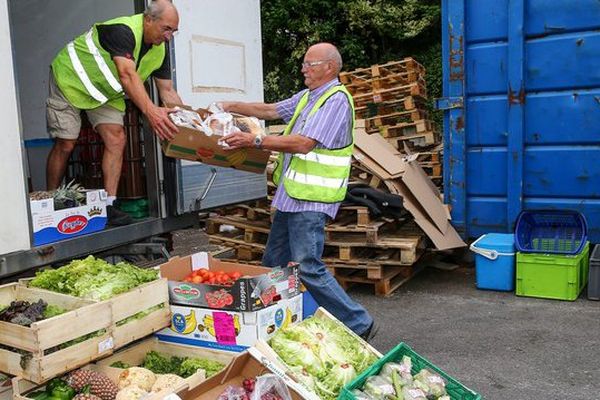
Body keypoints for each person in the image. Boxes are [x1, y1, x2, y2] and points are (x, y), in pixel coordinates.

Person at [220, 42, 377, 340]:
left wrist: (254, 141)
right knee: (274, 264)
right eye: (304, 64)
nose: (303, 68)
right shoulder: (309, 97)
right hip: (292, 196)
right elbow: (270, 110)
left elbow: (304, 143)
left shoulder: (335, 101)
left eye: (310, 64)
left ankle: (358, 322)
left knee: (308, 267)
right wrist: (231, 106)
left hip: (312, 199)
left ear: (329, 67)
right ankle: (275, 321)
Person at [45, 0, 182, 226]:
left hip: (104, 92)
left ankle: (108, 205)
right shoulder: (123, 30)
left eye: (173, 31)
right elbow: (127, 74)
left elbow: (167, 91)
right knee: (66, 143)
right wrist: (151, 112)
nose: (169, 36)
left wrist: (191, 123)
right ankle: (49, 201)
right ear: (148, 20)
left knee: (117, 139)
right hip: (70, 79)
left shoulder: (161, 50)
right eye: (166, 28)